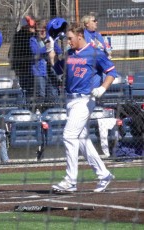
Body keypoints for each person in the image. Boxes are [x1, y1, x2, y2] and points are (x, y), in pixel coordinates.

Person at [50, 22, 116, 193]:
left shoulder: (95, 52)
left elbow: (111, 72)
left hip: (85, 101)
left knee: (69, 135)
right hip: (70, 100)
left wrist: (102, 88)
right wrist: (51, 49)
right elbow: (58, 69)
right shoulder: (70, 53)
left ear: (80, 36)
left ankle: (70, 180)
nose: (68, 41)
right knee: (81, 140)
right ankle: (104, 174)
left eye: (70, 38)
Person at [29, 19, 62, 99]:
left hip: (51, 70)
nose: (42, 33)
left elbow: (59, 51)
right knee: (41, 94)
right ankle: (39, 109)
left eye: (44, 31)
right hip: (39, 71)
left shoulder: (50, 38)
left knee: (53, 93)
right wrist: (46, 48)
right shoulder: (33, 40)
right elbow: (35, 52)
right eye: (39, 31)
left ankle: (54, 109)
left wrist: (53, 43)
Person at [10, 15, 35, 96]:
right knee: (25, 90)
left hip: (32, 68)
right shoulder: (18, 37)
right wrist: (16, 68)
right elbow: (12, 53)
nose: (31, 28)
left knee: (31, 90)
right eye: (29, 26)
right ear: (24, 26)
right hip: (23, 69)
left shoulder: (33, 35)